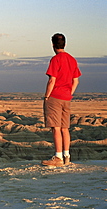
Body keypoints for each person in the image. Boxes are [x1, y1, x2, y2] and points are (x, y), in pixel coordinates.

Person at [42, 33, 81, 166]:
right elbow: (76, 81)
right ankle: (67, 156)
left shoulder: (56, 59)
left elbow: (52, 80)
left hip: (55, 96)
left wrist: (47, 96)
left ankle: (58, 157)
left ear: (53, 45)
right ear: (64, 44)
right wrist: (69, 93)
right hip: (66, 98)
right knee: (65, 128)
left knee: (56, 128)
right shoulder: (72, 59)